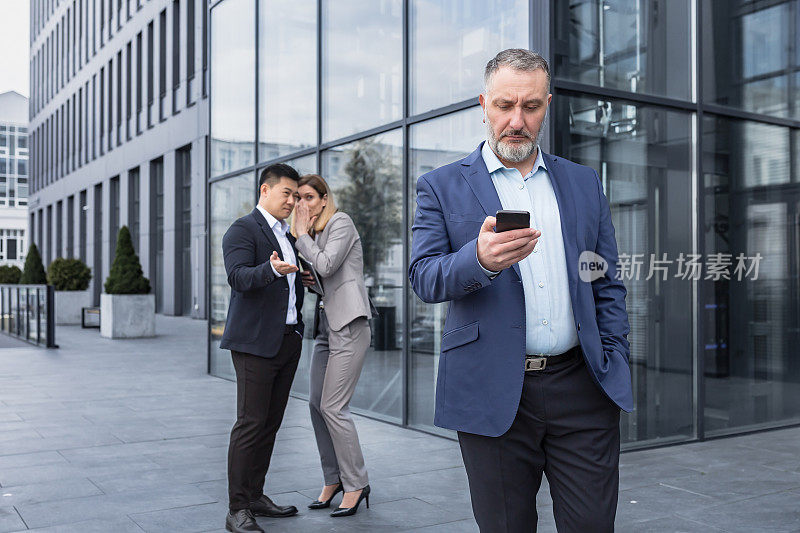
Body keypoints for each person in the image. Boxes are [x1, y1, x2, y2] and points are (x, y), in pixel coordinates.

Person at [409, 49, 632, 533]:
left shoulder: (582, 182)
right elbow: (423, 277)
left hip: (583, 387)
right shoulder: (441, 186)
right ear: (484, 104)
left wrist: (615, 353)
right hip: (491, 390)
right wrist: (480, 260)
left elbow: (605, 279)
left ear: (546, 106)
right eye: (505, 105)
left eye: (530, 107)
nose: (517, 120)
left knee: (593, 525)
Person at [220, 163, 306, 533]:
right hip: (255, 344)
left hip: (287, 339)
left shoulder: (288, 234)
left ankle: (255, 495)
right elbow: (238, 278)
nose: (292, 201)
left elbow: (288, 282)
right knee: (250, 424)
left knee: (270, 424)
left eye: (296, 194)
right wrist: (271, 271)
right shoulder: (243, 229)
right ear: (264, 191)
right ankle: (237, 509)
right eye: (286, 193)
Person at [292, 174, 373, 518]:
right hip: (327, 325)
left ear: (325, 199)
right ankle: (333, 479)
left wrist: (299, 237)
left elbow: (327, 264)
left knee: (334, 407)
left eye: (309, 197)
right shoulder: (315, 235)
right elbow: (325, 278)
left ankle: (356, 483)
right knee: (315, 404)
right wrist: (310, 280)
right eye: (297, 198)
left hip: (350, 324)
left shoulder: (340, 222)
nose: (302, 204)